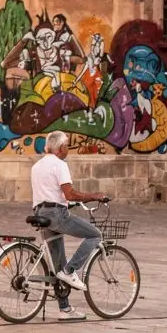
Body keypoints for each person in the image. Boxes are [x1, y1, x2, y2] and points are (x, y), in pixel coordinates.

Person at [30, 130, 107, 314]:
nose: (68, 150)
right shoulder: (59, 165)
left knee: (58, 264)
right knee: (95, 234)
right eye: (67, 147)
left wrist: (67, 203)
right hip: (56, 215)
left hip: (41, 212)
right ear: (62, 148)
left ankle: (64, 308)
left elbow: (52, 193)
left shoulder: (37, 166)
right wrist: (93, 196)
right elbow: (69, 193)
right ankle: (71, 270)